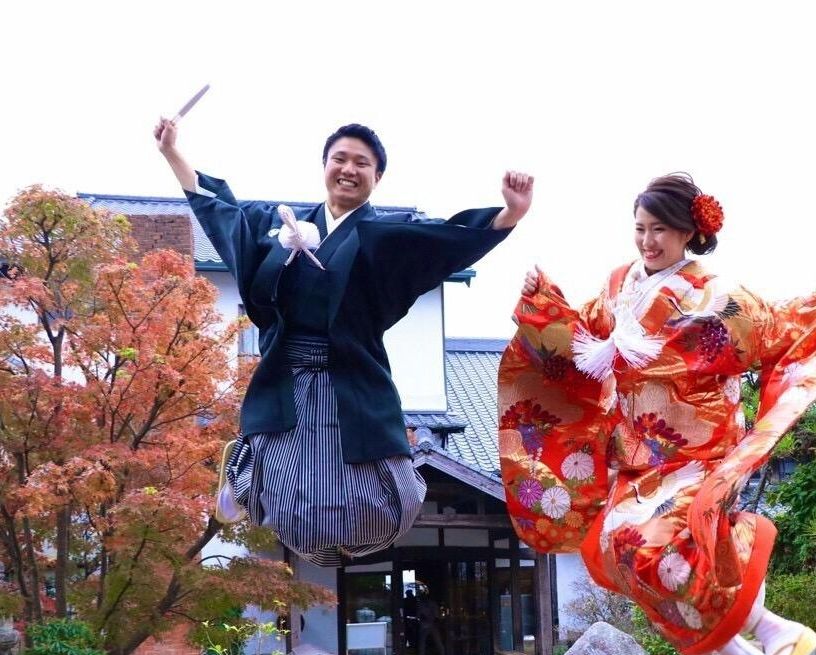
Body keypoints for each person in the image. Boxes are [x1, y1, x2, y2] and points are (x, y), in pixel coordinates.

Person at [499, 173, 816, 655]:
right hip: (640, 452)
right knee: (615, 547)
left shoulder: (716, 295)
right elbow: (578, 338)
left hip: (701, 447)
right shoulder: (620, 285)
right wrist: (542, 305)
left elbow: (775, 326)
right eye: (640, 229)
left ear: (688, 232)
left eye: (660, 230)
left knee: (671, 542)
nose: (648, 241)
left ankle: (775, 633)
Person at [155, 118, 533, 566]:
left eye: (362, 163)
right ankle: (242, 474)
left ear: (377, 176)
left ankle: (317, 527)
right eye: (340, 159)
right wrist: (173, 154)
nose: (349, 169)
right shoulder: (279, 224)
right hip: (285, 373)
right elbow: (223, 215)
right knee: (282, 483)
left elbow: (445, 241)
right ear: (325, 166)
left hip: (352, 373)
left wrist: (509, 214)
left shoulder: (386, 237)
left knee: (378, 486)